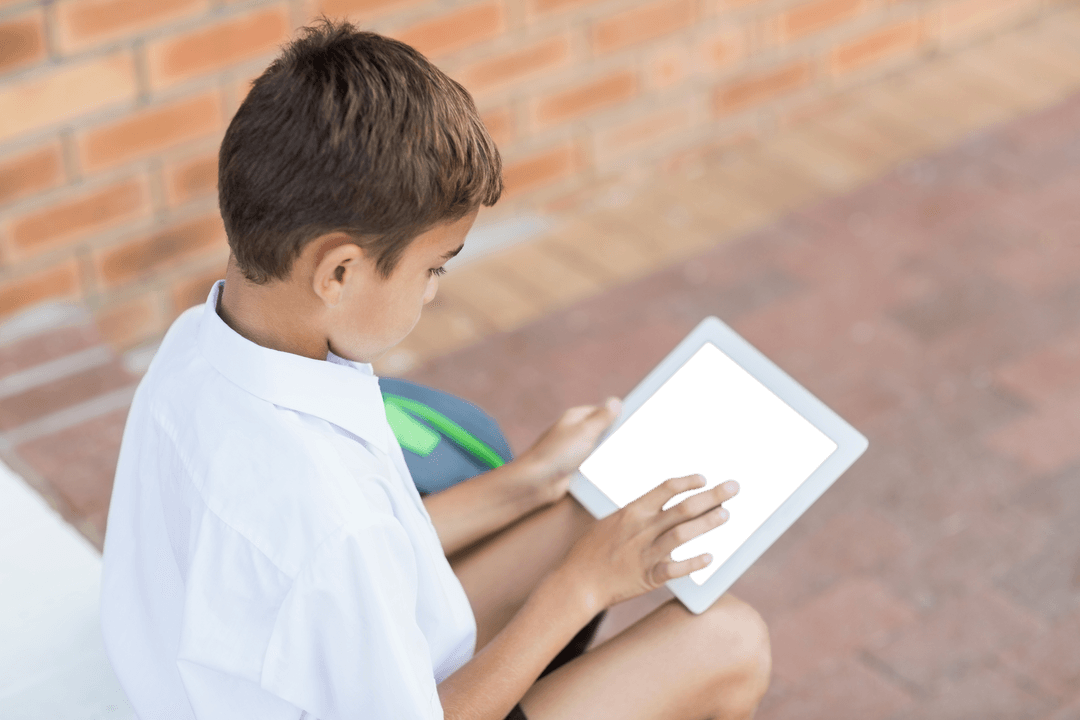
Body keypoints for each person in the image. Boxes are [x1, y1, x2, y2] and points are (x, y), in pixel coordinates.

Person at [99, 17, 771, 720]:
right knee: (730, 642)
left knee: (583, 512)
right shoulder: (324, 517)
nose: (435, 290)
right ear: (339, 271)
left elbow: (356, 558)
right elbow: (343, 555)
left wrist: (526, 484)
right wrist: (582, 587)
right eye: (432, 267)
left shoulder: (198, 346)